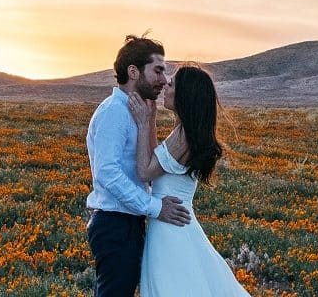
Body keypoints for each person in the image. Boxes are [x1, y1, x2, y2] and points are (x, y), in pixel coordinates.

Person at [127, 64, 251, 297]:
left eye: (171, 84)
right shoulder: (185, 131)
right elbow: (158, 163)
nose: (165, 85)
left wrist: (143, 124)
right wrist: (152, 119)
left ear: (186, 94)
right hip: (174, 221)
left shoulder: (183, 136)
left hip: (171, 227)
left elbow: (145, 172)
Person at [86, 35, 192, 297]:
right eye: (158, 70)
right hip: (115, 224)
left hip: (128, 222)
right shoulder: (114, 112)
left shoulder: (135, 111)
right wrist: (156, 208)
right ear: (133, 72)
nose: (164, 79)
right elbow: (108, 173)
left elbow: (149, 164)